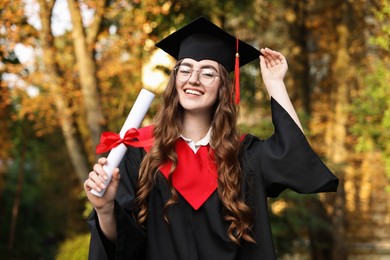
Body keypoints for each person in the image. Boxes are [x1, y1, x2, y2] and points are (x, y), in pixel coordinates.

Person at [84, 17, 338, 260]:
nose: (193, 79)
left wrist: (275, 84)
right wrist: (105, 209)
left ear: (223, 88)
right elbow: (123, 247)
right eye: (185, 69)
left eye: (207, 73)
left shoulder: (244, 156)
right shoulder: (139, 151)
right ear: (175, 80)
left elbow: (295, 156)